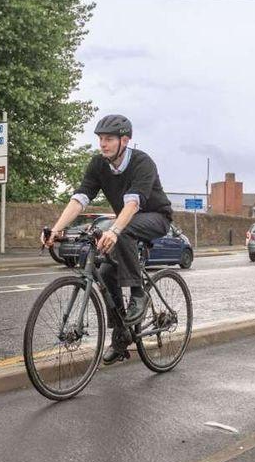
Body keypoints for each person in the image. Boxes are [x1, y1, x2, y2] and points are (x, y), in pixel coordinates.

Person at [43, 114, 173, 364]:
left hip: (155, 216)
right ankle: (121, 334)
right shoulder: (98, 165)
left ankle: (138, 294)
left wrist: (114, 231)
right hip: (127, 220)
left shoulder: (142, 162)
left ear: (124, 140)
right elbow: (80, 198)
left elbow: (133, 203)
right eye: (100, 139)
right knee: (105, 272)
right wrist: (57, 229)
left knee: (122, 230)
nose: (103, 144)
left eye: (109, 139)